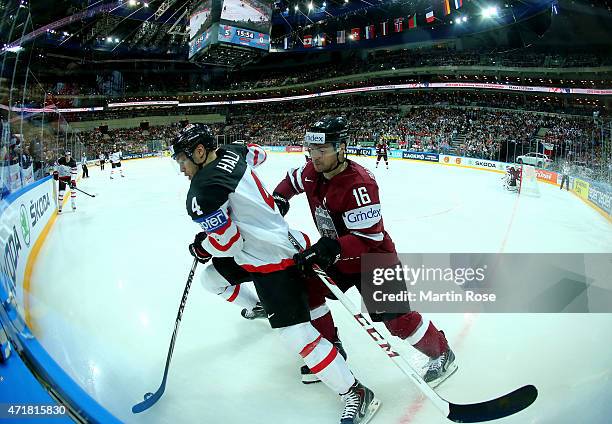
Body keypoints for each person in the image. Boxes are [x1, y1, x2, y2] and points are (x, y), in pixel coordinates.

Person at [170, 123, 380, 424]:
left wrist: (205, 244)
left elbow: (229, 243)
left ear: (200, 152)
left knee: (295, 335)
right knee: (212, 279)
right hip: (257, 250)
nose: (181, 169)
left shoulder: (203, 192)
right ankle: (257, 305)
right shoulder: (233, 150)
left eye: (182, 160)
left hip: (272, 257)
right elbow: (258, 155)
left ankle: (355, 392)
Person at [273, 117, 457, 387]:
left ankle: (442, 352)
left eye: (322, 150)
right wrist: (279, 198)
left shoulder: (359, 184)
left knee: (398, 321)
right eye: (312, 150)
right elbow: (291, 180)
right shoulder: (312, 171)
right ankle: (331, 350)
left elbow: (369, 238)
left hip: (374, 259)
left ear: (341, 148)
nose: (315, 157)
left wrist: (328, 247)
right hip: (337, 257)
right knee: (306, 288)